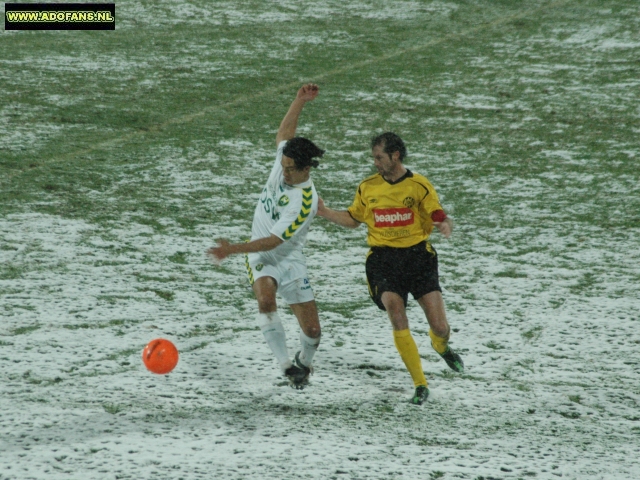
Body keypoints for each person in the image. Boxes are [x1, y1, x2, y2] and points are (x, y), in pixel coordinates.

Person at [317, 132, 464, 405]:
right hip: (383, 260)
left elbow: (436, 211)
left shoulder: (418, 185)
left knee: (441, 327)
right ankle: (420, 385)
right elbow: (354, 219)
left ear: (395, 156)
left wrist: (443, 223)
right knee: (396, 312)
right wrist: (324, 212)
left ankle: (441, 346)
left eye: (379, 157)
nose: (375, 163)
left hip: (419, 258)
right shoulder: (367, 187)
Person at [208, 83, 324, 389]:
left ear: (306, 170)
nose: (283, 173)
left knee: (312, 330)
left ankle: (303, 364)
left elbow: (274, 241)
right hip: (262, 258)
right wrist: (299, 100)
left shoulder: (304, 202)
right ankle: (286, 367)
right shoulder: (285, 161)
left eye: (290, 170)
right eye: (283, 166)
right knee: (265, 300)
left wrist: (231, 249)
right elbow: (285, 133)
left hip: (287, 258)